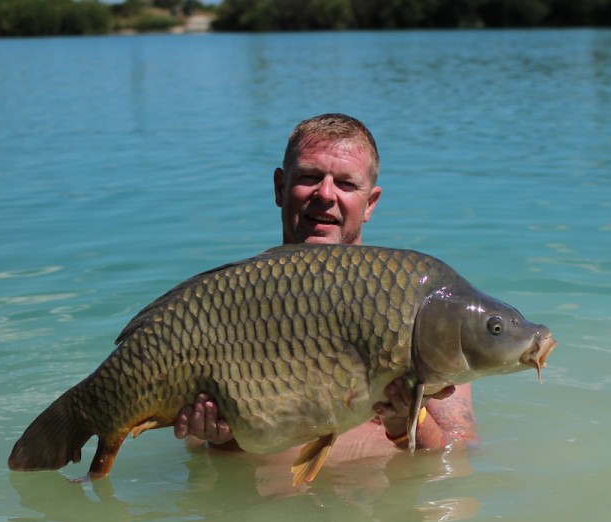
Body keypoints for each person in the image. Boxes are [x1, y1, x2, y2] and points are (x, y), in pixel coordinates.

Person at [173, 113, 476, 458]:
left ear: (370, 203)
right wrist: (222, 437)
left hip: (374, 506)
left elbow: (457, 456)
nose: (326, 194)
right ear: (279, 188)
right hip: (270, 508)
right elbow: (206, 458)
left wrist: (407, 422)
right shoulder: (228, 305)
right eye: (309, 177)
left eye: (346, 183)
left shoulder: (420, 314)